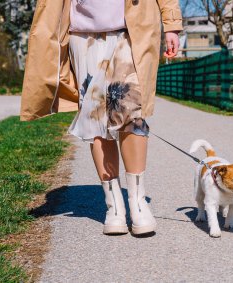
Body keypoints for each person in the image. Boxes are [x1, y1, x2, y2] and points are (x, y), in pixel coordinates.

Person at [20, 0, 183, 236]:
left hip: (132, 28)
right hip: (82, 34)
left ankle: (137, 202)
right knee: (96, 116)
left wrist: (172, 24)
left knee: (130, 110)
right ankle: (114, 205)